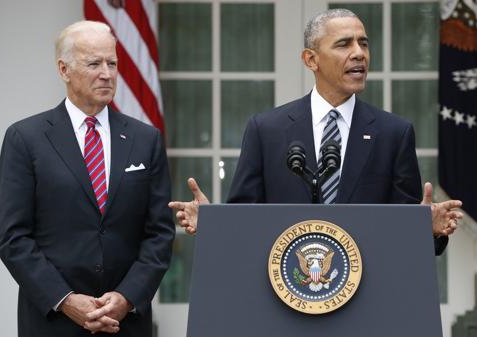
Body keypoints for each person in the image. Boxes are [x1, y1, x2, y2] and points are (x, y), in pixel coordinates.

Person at [169, 9, 461, 254]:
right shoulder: (266, 129)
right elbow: (245, 222)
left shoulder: (394, 133)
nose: (359, 53)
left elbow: (405, 234)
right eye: (344, 44)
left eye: (364, 43)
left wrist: (428, 230)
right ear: (311, 59)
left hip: (366, 303)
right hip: (284, 297)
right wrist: (213, 223)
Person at [0, 21, 174, 336]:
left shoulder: (146, 139)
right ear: (64, 70)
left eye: (112, 63)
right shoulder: (25, 138)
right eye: (94, 64)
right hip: (53, 322)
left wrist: (126, 296)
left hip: (125, 322)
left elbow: (159, 233)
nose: (107, 73)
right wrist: (65, 300)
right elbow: (14, 237)